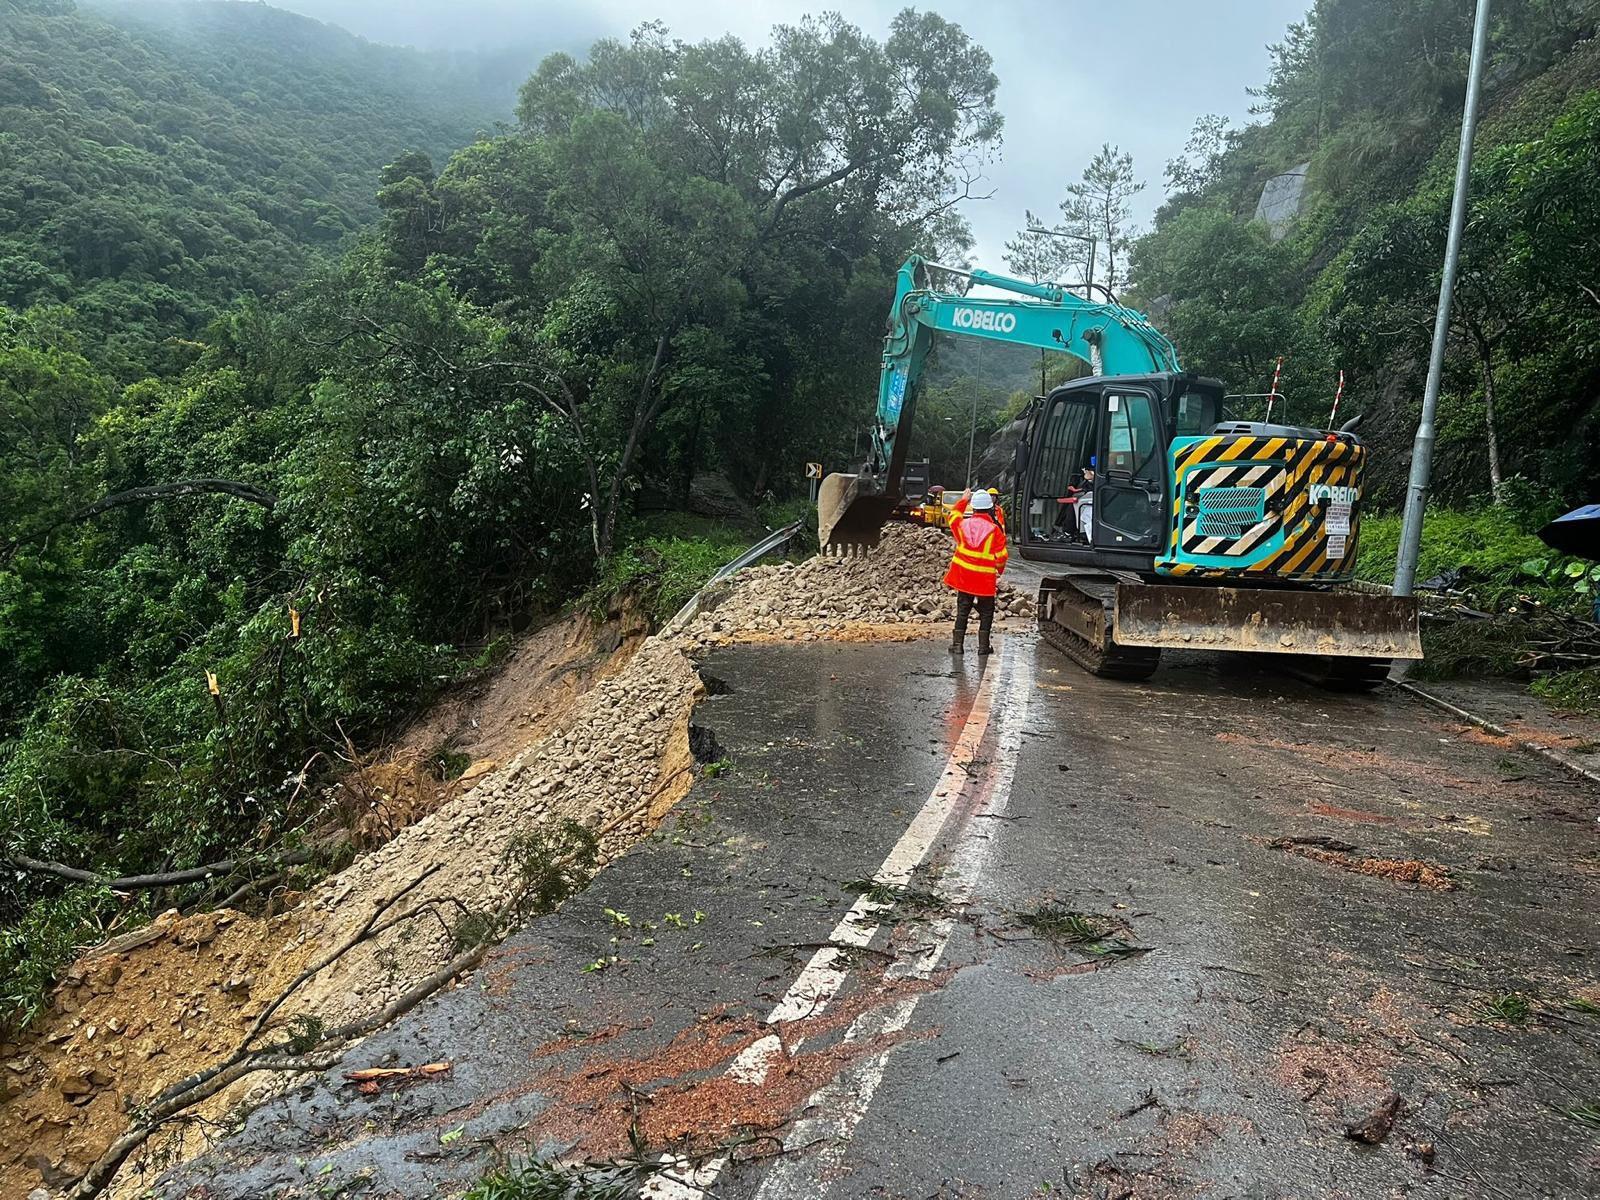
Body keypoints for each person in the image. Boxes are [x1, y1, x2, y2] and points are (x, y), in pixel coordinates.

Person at [944, 488, 1008, 655]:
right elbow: (1001, 556)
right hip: (984, 580)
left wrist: (964, 499)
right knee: (987, 612)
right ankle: (983, 647)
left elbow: (952, 517)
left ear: (973, 507)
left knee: (963, 610)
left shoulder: (963, 525)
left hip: (964, 577)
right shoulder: (995, 530)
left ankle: (957, 645)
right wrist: (999, 571)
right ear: (989, 508)